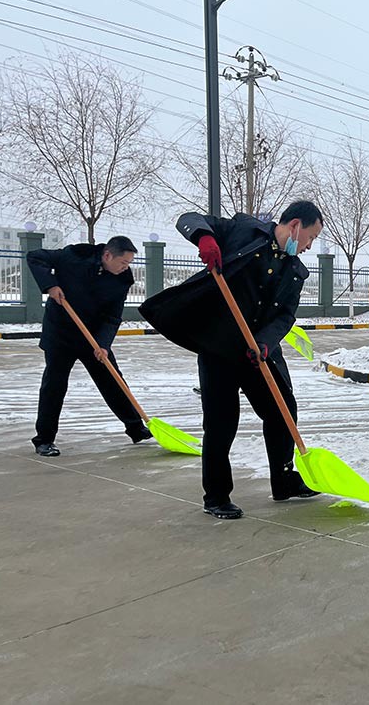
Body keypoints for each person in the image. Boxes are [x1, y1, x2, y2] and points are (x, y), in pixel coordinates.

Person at [139, 201, 324, 520]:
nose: (308, 246)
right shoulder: (243, 231)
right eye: (310, 237)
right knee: (221, 422)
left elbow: (285, 316)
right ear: (295, 225)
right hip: (219, 348)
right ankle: (216, 496)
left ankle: (284, 482)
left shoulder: (295, 272)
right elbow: (189, 217)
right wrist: (204, 238)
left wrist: (266, 343)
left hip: (258, 354)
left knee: (283, 413)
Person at [26, 235, 151, 457]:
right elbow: (35, 256)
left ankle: (136, 428)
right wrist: (50, 285)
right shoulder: (74, 257)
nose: (126, 268)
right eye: (123, 262)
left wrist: (103, 345)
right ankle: (44, 440)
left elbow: (113, 316)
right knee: (54, 386)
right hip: (61, 334)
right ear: (107, 255)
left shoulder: (122, 280)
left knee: (113, 381)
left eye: (129, 264)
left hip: (92, 336)